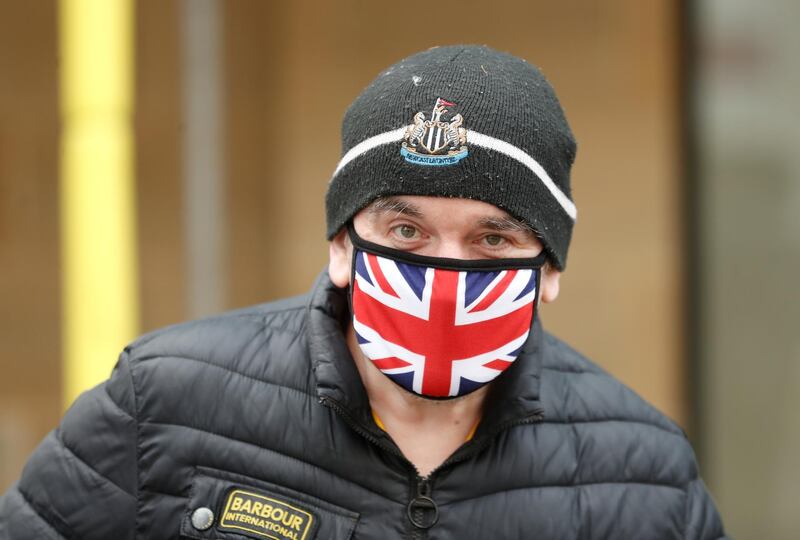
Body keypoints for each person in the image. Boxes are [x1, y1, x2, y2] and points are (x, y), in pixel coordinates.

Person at [0, 45, 726, 539]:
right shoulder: (161, 407)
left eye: (492, 239)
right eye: (406, 229)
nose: (445, 275)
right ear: (342, 244)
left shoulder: (645, 478)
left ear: (551, 270)